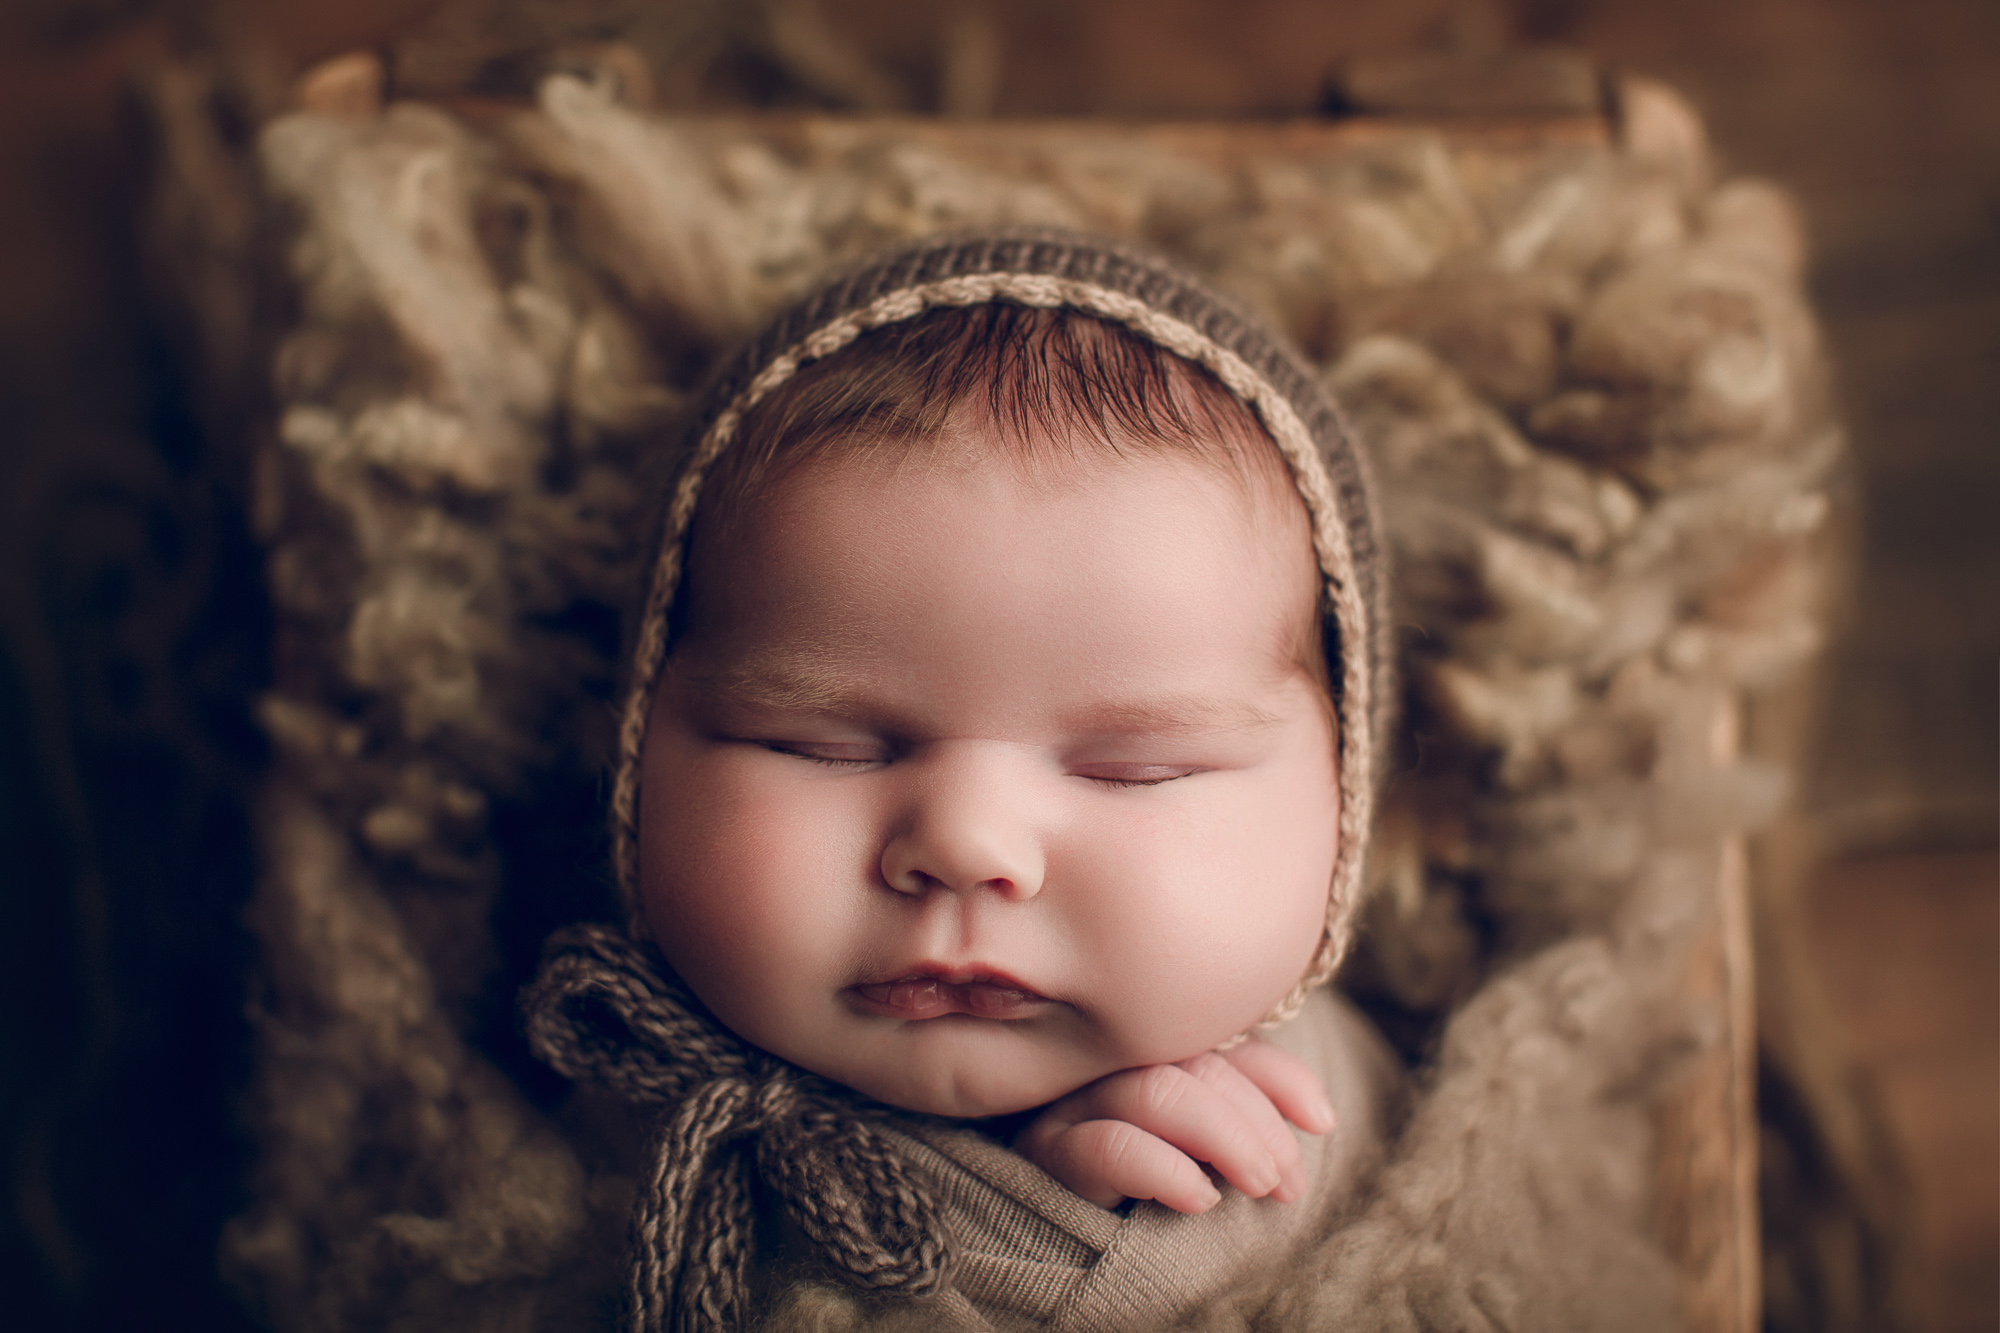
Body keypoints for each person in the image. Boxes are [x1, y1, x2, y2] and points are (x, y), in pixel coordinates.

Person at [525, 229, 1402, 1333]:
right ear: (641, 752)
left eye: (1136, 770)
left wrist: (1104, 1225)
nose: (967, 843)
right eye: (821, 747)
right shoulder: (584, 1061)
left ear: (1341, 809)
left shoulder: (1316, 1106)